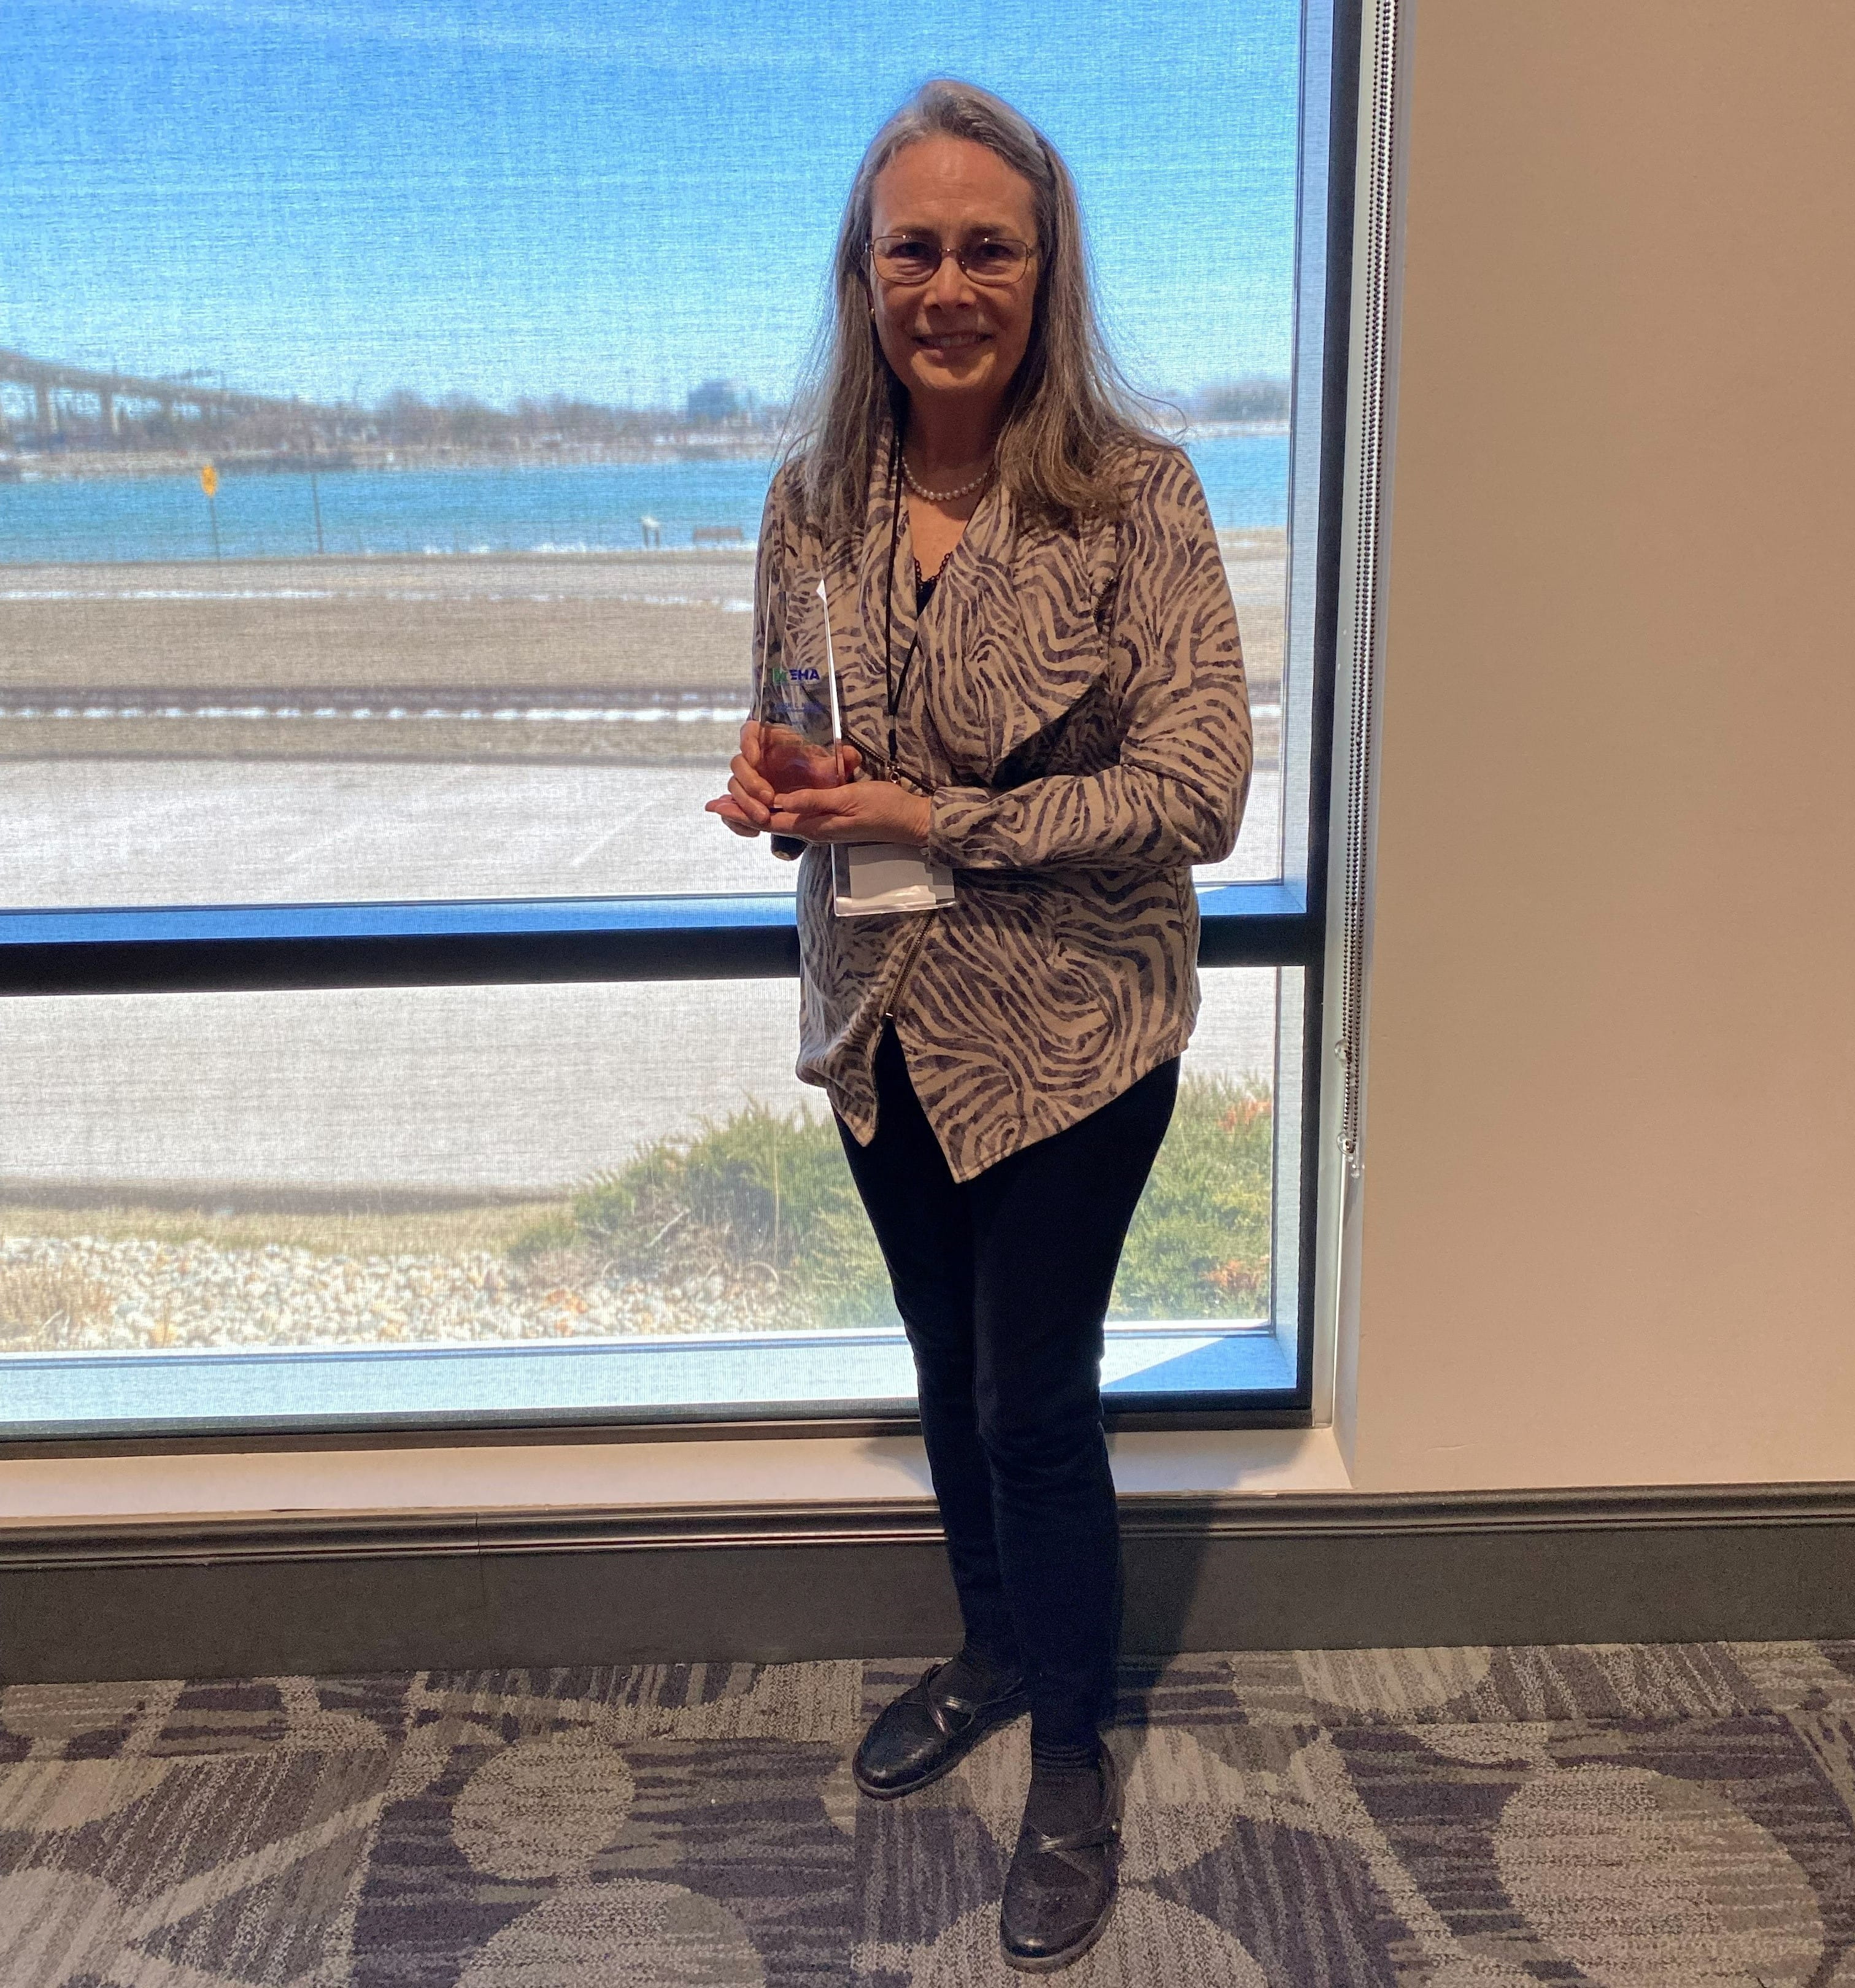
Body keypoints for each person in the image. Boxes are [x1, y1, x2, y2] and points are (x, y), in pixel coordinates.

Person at [706, 77, 1251, 1972]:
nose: (950, 282)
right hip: (885, 1024)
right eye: (913, 247)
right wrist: (780, 779)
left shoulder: (1138, 497)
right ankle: (998, 1649)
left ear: (1045, 270)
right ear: (864, 277)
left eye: (987, 247)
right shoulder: (812, 504)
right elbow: (796, 727)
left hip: (1078, 1031)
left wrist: (942, 817)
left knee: (1038, 1400)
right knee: (948, 1378)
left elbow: (1200, 793)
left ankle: (1079, 1755)